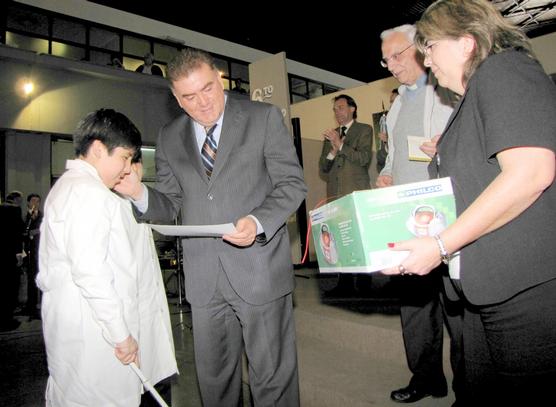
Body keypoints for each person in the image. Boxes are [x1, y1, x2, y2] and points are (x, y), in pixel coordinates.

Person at [384, 0, 556, 404]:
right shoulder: (471, 97)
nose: (425, 60)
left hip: (526, 291)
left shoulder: (504, 69)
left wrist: (441, 245)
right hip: (484, 289)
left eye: (430, 47)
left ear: (466, 43)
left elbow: (531, 172)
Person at [115, 48, 307, 407]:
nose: (202, 103)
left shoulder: (261, 117)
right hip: (204, 277)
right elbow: (171, 202)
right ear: (176, 97)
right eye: (189, 96)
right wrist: (139, 193)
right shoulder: (170, 136)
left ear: (219, 78)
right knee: (215, 381)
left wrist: (257, 220)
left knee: (272, 379)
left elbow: (292, 185)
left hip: (258, 268)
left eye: (208, 89)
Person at [36, 108, 170, 406]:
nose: (127, 168)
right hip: (94, 335)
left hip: (85, 332)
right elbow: (91, 272)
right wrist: (121, 335)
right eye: (124, 158)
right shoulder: (87, 193)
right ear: (98, 149)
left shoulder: (75, 187)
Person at [376, 24, 463, 404]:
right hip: (406, 215)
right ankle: (426, 378)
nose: (391, 64)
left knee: (457, 308)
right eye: (386, 58)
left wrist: (447, 145)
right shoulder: (396, 103)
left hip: (448, 214)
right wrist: (385, 172)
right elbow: (394, 154)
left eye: (397, 55)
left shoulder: (447, 88)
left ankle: (469, 387)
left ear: (420, 50)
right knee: (414, 305)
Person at [119, 156, 178, 407]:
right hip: (126, 331)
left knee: (156, 381)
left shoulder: (139, 202)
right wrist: (120, 333)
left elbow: (166, 209)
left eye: (134, 162)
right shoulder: (104, 203)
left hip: (150, 325)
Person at [318, 94, 373, 297]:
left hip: (355, 193)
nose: (337, 112)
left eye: (340, 108)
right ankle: (345, 282)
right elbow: (323, 167)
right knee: (339, 240)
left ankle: (365, 284)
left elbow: (364, 158)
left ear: (352, 108)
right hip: (335, 195)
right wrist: (332, 151)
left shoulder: (364, 130)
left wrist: (340, 145)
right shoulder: (331, 135)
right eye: (335, 109)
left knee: (358, 238)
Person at [0, 192, 24, 331]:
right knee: (11, 287)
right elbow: (18, 232)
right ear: (16, 200)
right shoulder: (14, 210)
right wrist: (19, 254)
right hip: (10, 255)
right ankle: (7, 319)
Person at [22, 193, 42, 319]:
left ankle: (39, 307)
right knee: (30, 279)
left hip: (38, 251)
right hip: (27, 250)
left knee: (38, 278)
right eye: (33, 201)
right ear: (28, 202)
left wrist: (37, 231)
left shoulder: (41, 216)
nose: (35, 203)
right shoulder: (25, 216)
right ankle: (30, 305)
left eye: (38, 201)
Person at [376, 88, 399, 173]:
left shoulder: (409, 123)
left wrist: (389, 141)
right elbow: (380, 159)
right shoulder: (388, 125)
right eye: (390, 102)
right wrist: (386, 143)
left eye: (394, 101)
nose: (391, 105)